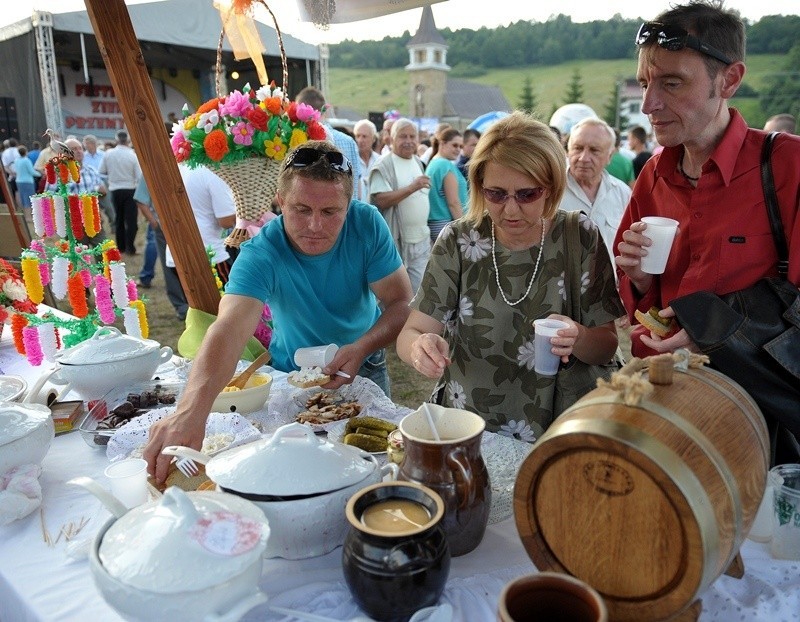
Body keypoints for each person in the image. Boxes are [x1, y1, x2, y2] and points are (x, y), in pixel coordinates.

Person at [143, 141, 413, 483]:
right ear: (280, 201)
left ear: (349, 205)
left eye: (331, 212)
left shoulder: (366, 224)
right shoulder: (261, 252)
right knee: (299, 474)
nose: (315, 226)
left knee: (372, 468)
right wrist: (189, 412)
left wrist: (361, 347)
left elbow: (400, 302)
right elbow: (229, 328)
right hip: (292, 375)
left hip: (365, 361)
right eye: (301, 209)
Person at [613, 4, 800, 457]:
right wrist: (639, 279)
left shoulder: (787, 164)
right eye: (644, 83)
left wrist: (714, 327)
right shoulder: (653, 175)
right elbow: (642, 301)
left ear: (729, 80)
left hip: (759, 421)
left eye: (672, 83)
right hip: (668, 403)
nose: (648, 105)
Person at [397, 112, 624, 441]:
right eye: (497, 194)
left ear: (550, 187)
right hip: (471, 426)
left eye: (527, 194)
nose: (511, 210)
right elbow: (413, 331)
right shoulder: (459, 241)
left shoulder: (579, 235)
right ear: (479, 187)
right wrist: (420, 346)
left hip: (561, 424)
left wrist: (579, 337)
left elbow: (606, 345)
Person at [369, 118, 431, 294]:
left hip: (420, 241)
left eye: (412, 136)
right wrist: (412, 188)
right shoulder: (384, 165)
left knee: (418, 294)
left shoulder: (418, 162)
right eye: (403, 136)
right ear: (392, 138)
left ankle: (412, 323)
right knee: (395, 295)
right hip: (395, 242)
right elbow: (380, 199)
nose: (409, 141)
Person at [559, 117, 632, 262]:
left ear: (609, 157)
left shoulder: (623, 194)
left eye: (594, 150)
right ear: (568, 150)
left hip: (610, 284)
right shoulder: (550, 190)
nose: (584, 158)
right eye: (578, 148)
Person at [133, 176, 189, 320]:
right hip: (164, 227)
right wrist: (154, 223)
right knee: (169, 266)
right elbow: (140, 199)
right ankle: (182, 306)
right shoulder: (151, 171)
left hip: (188, 224)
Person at [295, 87, 361, 198]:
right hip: (344, 211)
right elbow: (357, 189)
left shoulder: (296, 140)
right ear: (323, 111)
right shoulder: (349, 141)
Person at [99, 130, 141, 254]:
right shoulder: (132, 155)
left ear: (116, 140)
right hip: (130, 189)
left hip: (115, 189)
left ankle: (121, 247)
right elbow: (138, 176)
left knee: (119, 219)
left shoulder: (108, 154)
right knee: (131, 220)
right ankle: (130, 247)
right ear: (127, 140)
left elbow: (102, 171)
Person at [425, 126, 466, 243]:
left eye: (460, 146)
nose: (458, 149)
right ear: (442, 144)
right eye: (454, 145)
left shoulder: (434, 162)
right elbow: (453, 202)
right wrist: (465, 229)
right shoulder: (444, 165)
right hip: (446, 223)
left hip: (439, 223)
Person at [354, 119, 379, 202]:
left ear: (374, 139)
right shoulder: (352, 160)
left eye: (364, 136)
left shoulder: (379, 160)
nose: (360, 140)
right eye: (358, 136)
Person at [13, 146, 40, 212]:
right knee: (29, 198)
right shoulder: (27, 160)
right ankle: (30, 215)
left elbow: (15, 170)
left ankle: (24, 214)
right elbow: (31, 171)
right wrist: (40, 174)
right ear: (25, 152)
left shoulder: (16, 160)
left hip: (19, 181)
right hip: (27, 181)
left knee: (22, 197)